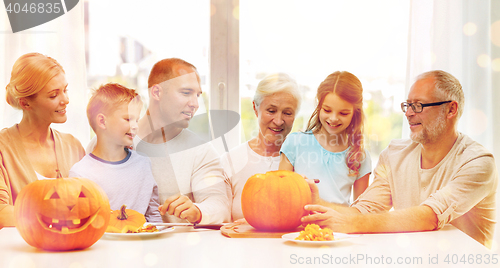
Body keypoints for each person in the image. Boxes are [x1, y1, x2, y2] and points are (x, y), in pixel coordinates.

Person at [301, 70, 498, 248]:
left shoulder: (478, 162)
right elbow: (366, 210)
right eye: (408, 105)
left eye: (418, 105)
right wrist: (316, 202)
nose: (408, 113)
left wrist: (350, 224)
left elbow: (430, 216)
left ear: (451, 110)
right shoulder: (394, 155)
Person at [87, 58, 230, 223]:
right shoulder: (103, 143)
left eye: (197, 95)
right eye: (186, 93)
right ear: (156, 93)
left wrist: (197, 211)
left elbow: (220, 206)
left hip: (177, 248)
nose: (195, 104)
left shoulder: (201, 151)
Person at [0, 53, 85, 227]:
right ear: (25, 104)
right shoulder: (3, 149)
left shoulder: (73, 146)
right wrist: (57, 212)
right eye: (54, 95)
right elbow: (2, 213)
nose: (66, 100)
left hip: (73, 251)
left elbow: (90, 201)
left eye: (65, 90)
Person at [69, 83, 161, 222]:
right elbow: (80, 222)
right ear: (102, 121)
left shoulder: (143, 164)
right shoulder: (81, 173)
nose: (135, 126)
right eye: (128, 119)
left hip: (141, 242)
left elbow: (153, 215)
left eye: (136, 120)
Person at [279, 71, 371, 206]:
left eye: (343, 113)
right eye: (327, 110)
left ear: (355, 113)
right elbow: (278, 196)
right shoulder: (295, 143)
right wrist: (295, 185)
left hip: (339, 226)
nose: (333, 118)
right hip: (300, 226)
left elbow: (360, 213)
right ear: (319, 106)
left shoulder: (360, 156)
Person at [220, 73, 301, 221]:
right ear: (255, 108)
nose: (278, 121)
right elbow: (220, 219)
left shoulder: (305, 161)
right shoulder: (230, 160)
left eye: (287, 113)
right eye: (271, 110)